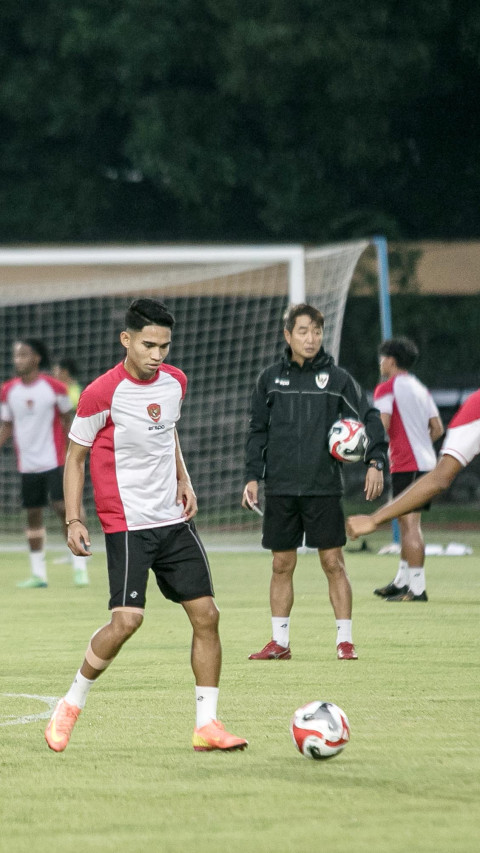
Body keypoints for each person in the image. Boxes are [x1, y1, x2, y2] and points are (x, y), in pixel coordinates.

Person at [44, 298, 247, 754]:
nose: (158, 355)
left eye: (165, 346)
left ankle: (207, 725)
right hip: (128, 524)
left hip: (174, 521)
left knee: (207, 616)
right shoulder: (101, 393)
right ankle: (70, 703)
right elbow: (75, 458)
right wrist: (75, 519)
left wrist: (184, 477)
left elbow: (167, 431)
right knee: (128, 621)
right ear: (127, 340)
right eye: (149, 345)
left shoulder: (176, 382)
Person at [242, 303, 388, 661]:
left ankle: (345, 641)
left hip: (323, 487)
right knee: (281, 564)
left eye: (317, 332)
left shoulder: (338, 380)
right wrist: (252, 477)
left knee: (333, 562)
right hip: (281, 487)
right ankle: (279, 642)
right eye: (304, 331)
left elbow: (369, 418)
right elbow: (257, 431)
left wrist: (375, 460)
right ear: (288, 335)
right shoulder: (269, 380)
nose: (311, 338)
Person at [0, 338, 89, 588]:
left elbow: (67, 419)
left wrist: (76, 453)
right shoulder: (8, 390)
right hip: (27, 465)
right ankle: (38, 574)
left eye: (23, 355)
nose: (18, 359)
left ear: (36, 358)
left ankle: (80, 566)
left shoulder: (54, 388)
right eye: (16, 355)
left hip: (56, 460)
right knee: (33, 516)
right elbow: (7, 425)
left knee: (65, 511)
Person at [346, 388, 480, 542]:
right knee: (410, 526)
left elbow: (440, 479)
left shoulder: (476, 406)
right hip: (406, 460)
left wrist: (374, 519)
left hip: (407, 460)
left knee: (411, 526)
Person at [372, 338, 444, 601]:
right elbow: (437, 428)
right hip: (424, 462)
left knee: (410, 525)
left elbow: (383, 425)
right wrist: (420, 443)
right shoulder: (418, 387)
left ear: (391, 360)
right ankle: (403, 581)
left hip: (408, 464)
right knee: (406, 524)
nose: (380, 363)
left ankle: (417, 589)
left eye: (382, 358)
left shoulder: (386, 388)